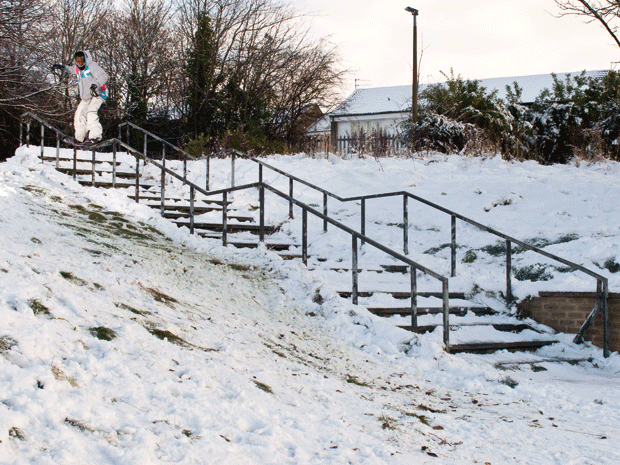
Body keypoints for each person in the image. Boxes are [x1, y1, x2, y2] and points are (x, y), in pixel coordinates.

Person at [52, 50, 108, 144]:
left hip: (98, 92)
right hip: (87, 96)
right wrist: (62, 67)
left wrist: (96, 84)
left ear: (86, 59)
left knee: (91, 111)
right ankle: (79, 138)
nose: (80, 63)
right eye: (77, 61)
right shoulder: (77, 68)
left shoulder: (92, 66)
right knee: (79, 114)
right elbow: (71, 69)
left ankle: (95, 137)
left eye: (82, 61)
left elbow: (104, 75)